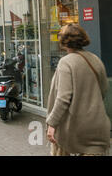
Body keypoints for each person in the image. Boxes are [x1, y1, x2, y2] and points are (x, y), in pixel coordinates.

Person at [46, 24, 110, 156]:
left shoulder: (66, 62)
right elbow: (103, 90)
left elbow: (63, 99)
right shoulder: (95, 59)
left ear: (63, 41)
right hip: (98, 127)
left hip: (74, 129)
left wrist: (51, 124)